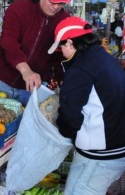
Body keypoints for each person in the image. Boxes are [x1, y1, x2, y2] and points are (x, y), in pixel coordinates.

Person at [48, 16, 125, 195]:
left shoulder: (81, 69)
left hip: (98, 157)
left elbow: (70, 117)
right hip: (117, 149)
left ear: (69, 42)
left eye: (61, 47)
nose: (61, 51)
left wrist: (61, 129)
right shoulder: (104, 58)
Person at [0, 0, 71, 105]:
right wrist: (26, 70)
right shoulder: (18, 9)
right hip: (0, 80)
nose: (55, 7)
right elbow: (9, 42)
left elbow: (60, 56)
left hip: (32, 88)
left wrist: (61, 79)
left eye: (60, 3)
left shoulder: (64, 20)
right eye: (52, 0)